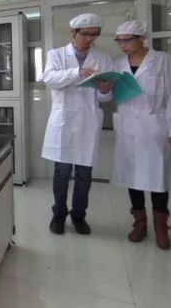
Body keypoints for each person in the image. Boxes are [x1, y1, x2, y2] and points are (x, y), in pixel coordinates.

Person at [111, 20, 171, 250]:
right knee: (133, 177)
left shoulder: (162, 60)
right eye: (119, 40)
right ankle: (139, 222)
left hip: (155, 127)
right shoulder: (118, 64)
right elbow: (111, 95)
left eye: (127, 40)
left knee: (157, 178)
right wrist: (104, 89)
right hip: (127, 128)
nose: (122, 45)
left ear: (142, 38)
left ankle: (161, 226)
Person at [42, 13, 113, 235]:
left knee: (84, 175)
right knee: (62, 173)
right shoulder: (56, 55)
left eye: (94, 34)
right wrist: (78, 72)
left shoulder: (103, 58)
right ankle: (59, 214)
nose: (90, 39)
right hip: (64, 121)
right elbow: (50, 79)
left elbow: (104, 97)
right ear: (73, 32)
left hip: (88, 123)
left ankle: (79, 216)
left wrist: (105, 90)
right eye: (85, 34)